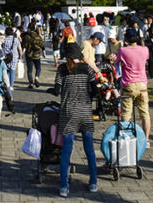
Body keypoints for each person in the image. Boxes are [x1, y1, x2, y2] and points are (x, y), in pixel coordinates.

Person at [53, 43, 100, 198]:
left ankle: (64, 187)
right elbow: (94, 91)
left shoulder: (62, 69)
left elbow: (56, 91)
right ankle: (93, 182)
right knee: (90, 150)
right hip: (85, 112)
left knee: (66, 150)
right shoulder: (87, 69)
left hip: (68, 113)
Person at [115, 31, 151, 144]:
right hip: (142, 84)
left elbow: (117, 62)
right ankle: (146, 139)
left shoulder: (123, 50)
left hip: (128, 84)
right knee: (145, 113)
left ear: (126, 39)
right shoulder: (145, 49)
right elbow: (146, 59)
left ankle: (126, 139)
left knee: (126, 113)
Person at [0, 27, 22, 95]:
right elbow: (20, 49)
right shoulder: (16, 39)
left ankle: (6, 85)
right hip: (14, 57)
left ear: (6, 33)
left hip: (6, 58)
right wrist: (20, 56)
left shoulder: (4, 40)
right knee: (12, 71)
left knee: (5, 72)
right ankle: (11, 86)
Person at [23, 23, 45, 88]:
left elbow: (24, 46)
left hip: (29, 55)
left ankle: (31, 83)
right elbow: (42, 45)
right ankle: (36, 78)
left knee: (29, 70)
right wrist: (44, 52)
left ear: (29, 29)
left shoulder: (27, 37)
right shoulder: (38, 36)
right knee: (38, 68)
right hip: (37, 55)